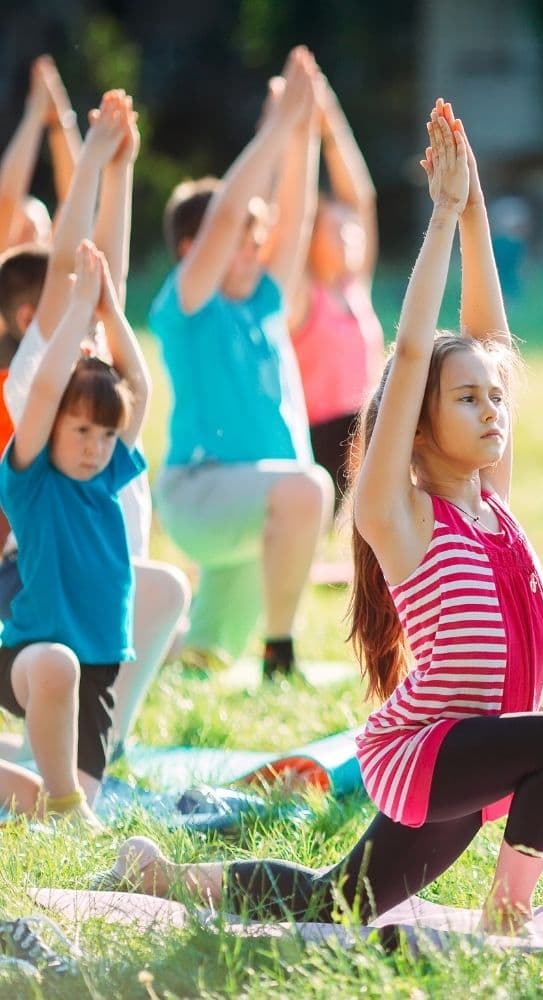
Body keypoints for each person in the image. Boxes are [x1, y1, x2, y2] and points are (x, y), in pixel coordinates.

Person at [98, 103, 543, 933]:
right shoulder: (400, 513)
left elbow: (490, 334)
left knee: (339, 902)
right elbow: (412, 352)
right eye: (467, 399)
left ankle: (171, 876)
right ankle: (509, 911)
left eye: (495, 399)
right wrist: (440, 218)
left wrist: (474, 208)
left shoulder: (492, 503)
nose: (491, 412)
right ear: (418, 423)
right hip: (430, 755)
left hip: (468, 754)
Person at [0, 90, 188, 760]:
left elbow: (110, 265)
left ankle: (101, 743)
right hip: (49, 578)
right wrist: (91, 163)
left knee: (165, 588)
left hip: (106, 570)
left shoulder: (100, 377)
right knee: (62, 654)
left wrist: (122, 168)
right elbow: (70, 266)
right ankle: (44, 747)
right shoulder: (40, 377)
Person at [150, 49, 332, 679]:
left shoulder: (259, 302)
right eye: (239, 247)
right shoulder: (188, 304)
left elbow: (298, 217)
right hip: (202, 493)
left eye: (257, 246)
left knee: (200, 659)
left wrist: (302, 131)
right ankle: (280, 655)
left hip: (253, 507)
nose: (253, 254)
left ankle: (134, 654)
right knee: (310, 485)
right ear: (189, 250)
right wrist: (275, 127)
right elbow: (229, 212)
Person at [0, 238, 149, 831]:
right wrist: (76, 309)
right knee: (56, 664)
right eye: (81, 430)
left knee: (68, 804)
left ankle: (55, 797)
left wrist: (110, 309)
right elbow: (41, 392)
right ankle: (61, 797)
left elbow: (138, 380)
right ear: (56, 425)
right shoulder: (31, 481)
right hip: (28, 658)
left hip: (102, 664)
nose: (94, 447)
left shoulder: (109, 475)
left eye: (104, 434)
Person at [288, 77, 383, 513]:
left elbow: (361, 197)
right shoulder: (303, 294)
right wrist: (300, 132)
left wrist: (330, 121)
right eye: (333, 227)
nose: (348, 233)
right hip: (317, 441)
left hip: (363, 429)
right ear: (310, 238)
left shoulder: (354, 285)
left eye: (349, 227)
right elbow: (293, 213)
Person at [0, 56, 80, 251]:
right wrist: (35, 113)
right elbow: (7, 201)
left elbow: (76, 199)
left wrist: (61, 122)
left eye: (37, 231)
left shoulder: (56, 272)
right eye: (22, 230)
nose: (31, 234)